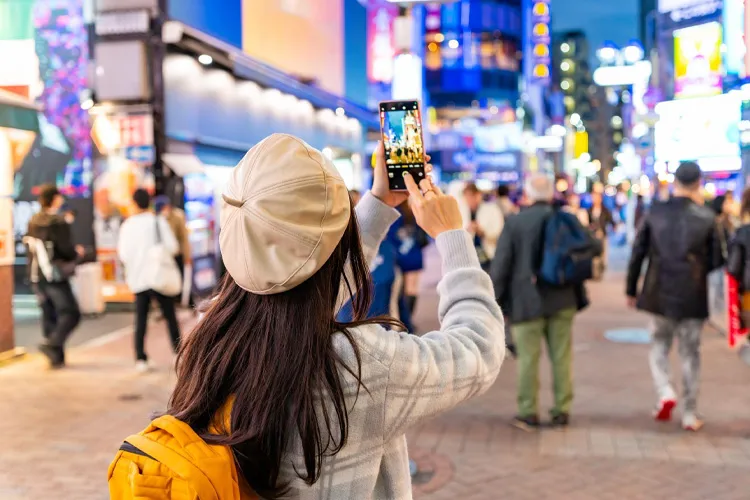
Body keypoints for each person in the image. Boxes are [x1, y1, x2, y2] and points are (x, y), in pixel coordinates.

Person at [166, 134, 505, 498]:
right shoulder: (358, 365)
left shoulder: (212, 334)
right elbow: (478, 348)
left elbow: (300, 278)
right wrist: (453, 235)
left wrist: (378, 203)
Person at [491, 173, 597, 430]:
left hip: (526, 300)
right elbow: (593, 246)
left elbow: (502, 265)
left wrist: (496, 302)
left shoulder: (515, 223)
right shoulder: (566, 218)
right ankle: (562, 410)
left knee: (528, 358)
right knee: (561, 357)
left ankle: (528, 412)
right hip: (562, 297)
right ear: (551, 194)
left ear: (527, 194)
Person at [626, 162, 724, 432]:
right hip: (693, 296)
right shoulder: (707, 218)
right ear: (698, 183)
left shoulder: (655, 213)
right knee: (690, 353)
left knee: (659, 345)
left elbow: (638, 253)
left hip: (659, 293)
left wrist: (630, 289)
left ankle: (665, 391)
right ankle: (690, 413)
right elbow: (717, 263)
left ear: (675, 181)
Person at [118, 189, 182, 372]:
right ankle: (178, 353)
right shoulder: (157, 221)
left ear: (134, 203)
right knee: (170, 316)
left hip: (138, 278)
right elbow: (172, 247)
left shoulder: (127, 225)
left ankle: (140, 358)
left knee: (140, 319)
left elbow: (123, 254)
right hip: (159, 276)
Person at [24, 184, 82, 368]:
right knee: (71, 313)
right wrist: (77, 253)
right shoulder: (57, 222)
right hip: (54, 275)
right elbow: (67, 250)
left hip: (36, 274)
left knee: (49, 314)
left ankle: (55, 357)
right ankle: (52, 344)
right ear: (55, 198)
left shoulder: (33, 220)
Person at [154, 195, 193, 309]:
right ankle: (168, 305)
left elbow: (184, 238)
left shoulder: (178, 216)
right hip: (163, 256)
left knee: (181, 279)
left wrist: (187, 256)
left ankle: (187, 302)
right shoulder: (156, 218)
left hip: (177, 254)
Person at [461, 182, 504, 270]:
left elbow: (499, 233)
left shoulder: (492, 209)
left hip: (488, 256)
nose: (469, 200)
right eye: (467, 197)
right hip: (469, 258)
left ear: (478, 195)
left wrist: (482, 232)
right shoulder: (463, 212)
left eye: (471, 197)